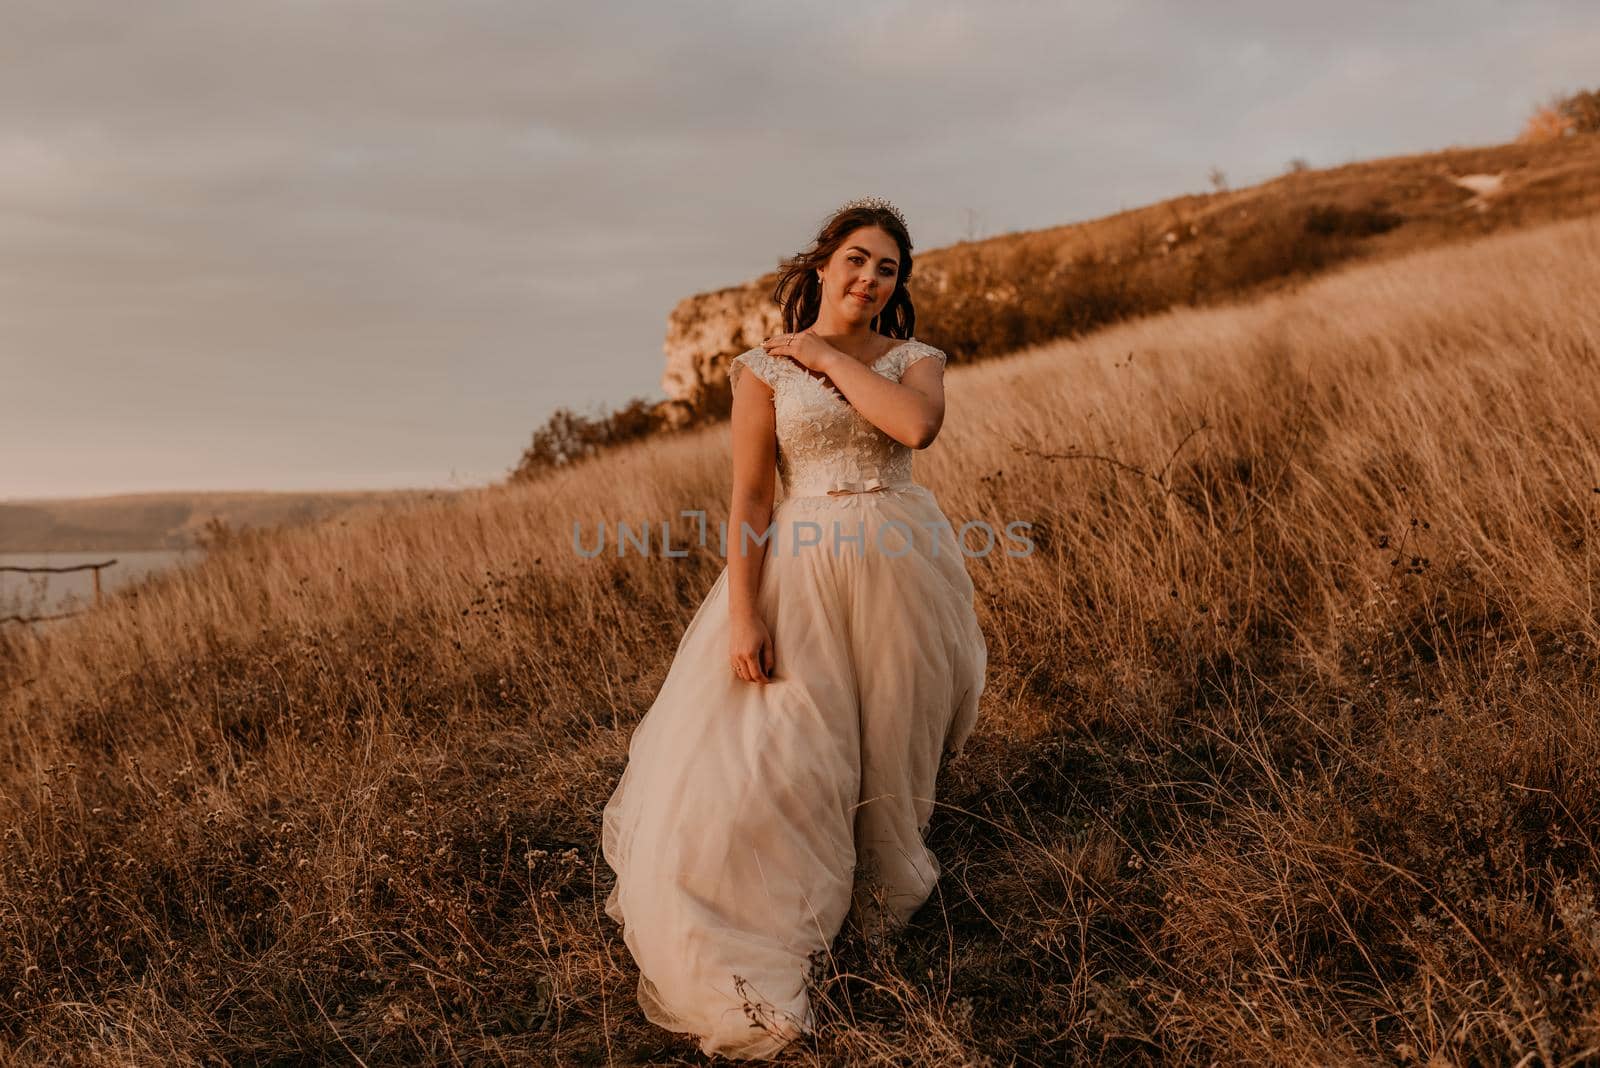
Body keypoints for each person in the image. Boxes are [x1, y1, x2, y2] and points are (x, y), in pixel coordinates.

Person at [600, 195, 988, 1059]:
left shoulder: (914, 359)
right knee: (789, 747)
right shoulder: (758, 371)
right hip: (803, 569)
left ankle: (881, 911)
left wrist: (820, 352)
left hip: (900, 562)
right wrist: (743, 613)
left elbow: (913, 427)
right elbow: (749, 497)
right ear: (821, 265)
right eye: (856, 258)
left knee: (892, 734)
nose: (870, 277)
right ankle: (780, 921)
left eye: (887, 267)